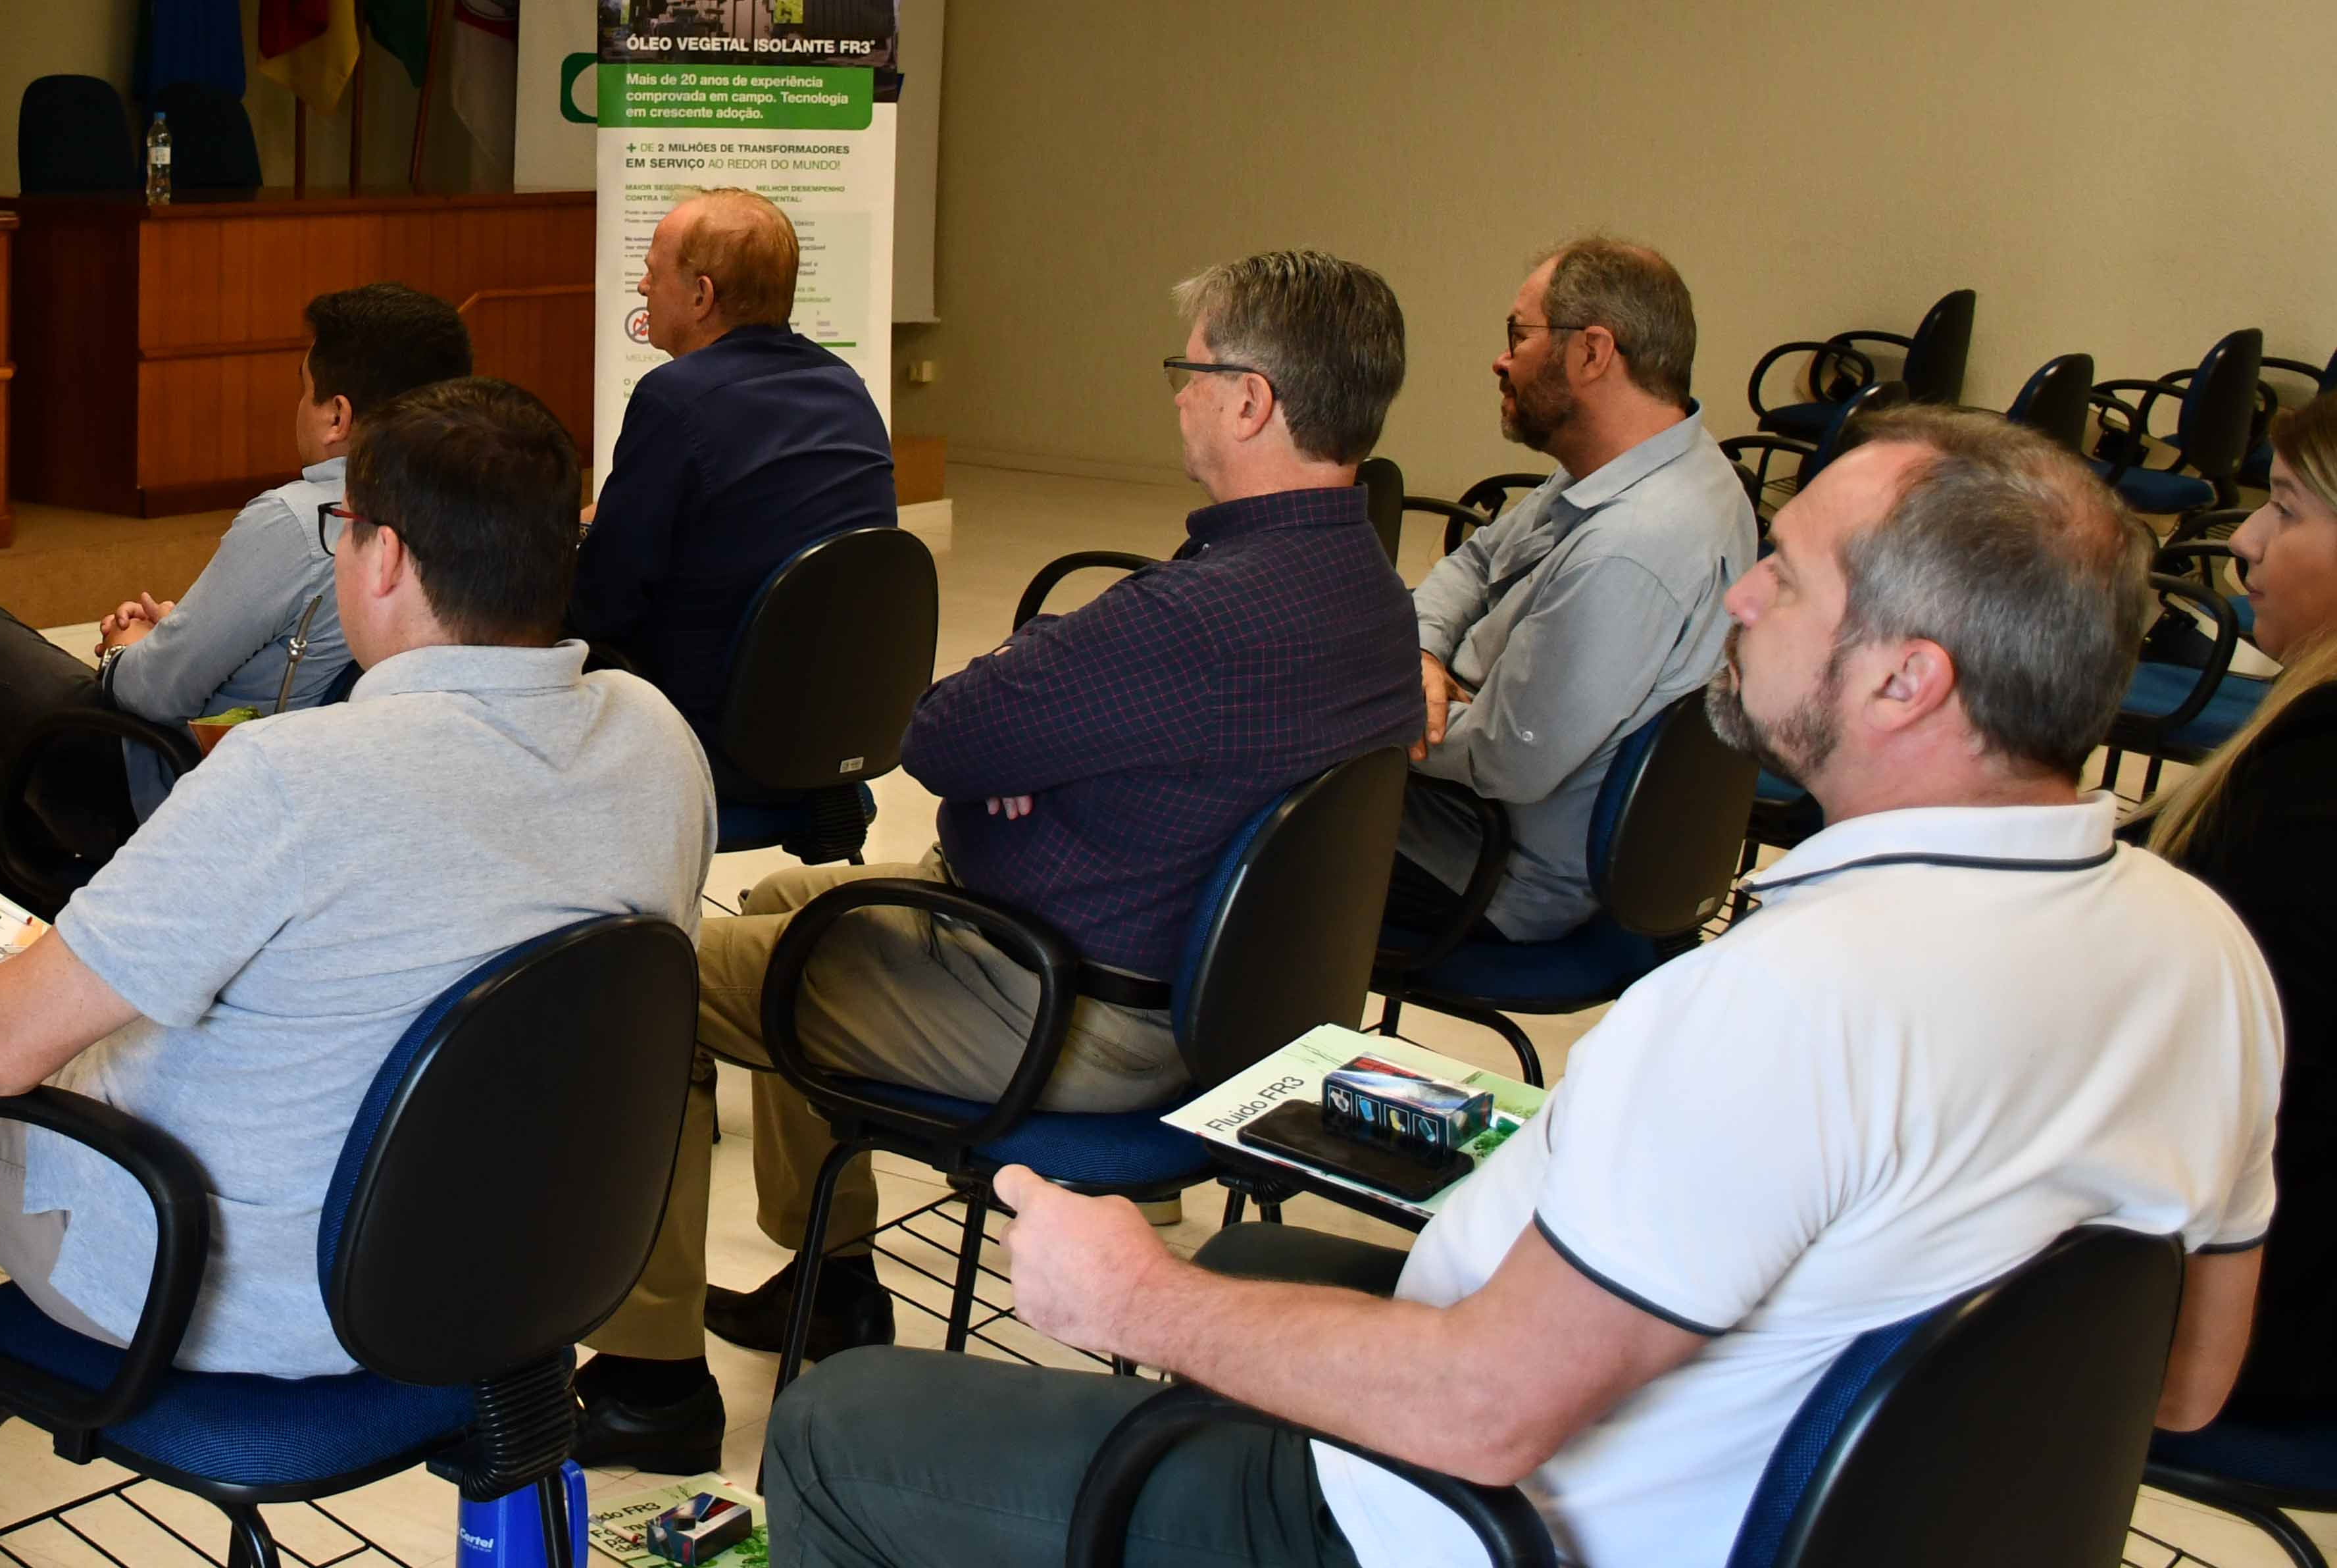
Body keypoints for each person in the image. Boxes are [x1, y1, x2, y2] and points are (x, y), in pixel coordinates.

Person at [765, 409, 2280, 1568]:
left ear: (1905, 679)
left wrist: (1131, 1294)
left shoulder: (1786, 1004)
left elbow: (1485, 1414)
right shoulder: (2201, 950)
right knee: (1273, 1263)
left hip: (1469, 1519)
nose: (1740, 594)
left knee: (845, 1424)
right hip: (1694, 1471)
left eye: (1790, 574)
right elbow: (2187, 1384)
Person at [0, 379, 711, 1568]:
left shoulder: (291, 776)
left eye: (347, 526)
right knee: (2, 1001)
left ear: (381, 560)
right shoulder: (654, 739)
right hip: (510, 1262)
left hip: (219, 1284)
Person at [576, 251, 1430, 1474]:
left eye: (1187, 371)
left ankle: (647, 1379)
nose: (1176, 395)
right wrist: (1035, 761)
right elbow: (997, 735)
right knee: (780, 897)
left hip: (1063, 1013)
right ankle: (832, 1282)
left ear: (1249, 400)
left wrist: (1019, 770)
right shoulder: (1366, 588)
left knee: (641, 974)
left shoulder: (1186, 617)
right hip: (1223, 1009)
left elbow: (939, 730)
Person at [0, 282, 475, 809]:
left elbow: (152, 693)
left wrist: (131, 650)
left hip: (195, 787)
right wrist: (185, 629)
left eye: (303, 387)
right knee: (5, 778)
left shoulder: (301, 522)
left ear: (337, 415)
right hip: (355, 789)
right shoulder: (475, 515)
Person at [1394, 236, 1755, 944]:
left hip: (1492, 868)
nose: (1501, 359)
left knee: (1233, 825)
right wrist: (1423, 658)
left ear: (1592, 352)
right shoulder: (1644, 462)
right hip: (1478, 799)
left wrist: (1377, 709)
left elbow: (1506, 756)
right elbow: (1473, 564)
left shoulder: (1634, 545)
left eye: (1517, 336)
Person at [2134, 384, 2337, 1423]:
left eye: (2290, 509)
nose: (2247, 543)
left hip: (2272, 1335)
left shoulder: (2312, 779)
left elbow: (2229, 1074)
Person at [568, 188, 895, 803]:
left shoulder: (675, 397)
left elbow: (605, 603)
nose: (642, 289)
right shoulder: (842, 383)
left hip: (710, 727)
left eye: (652, 272)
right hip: (833, 715)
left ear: (702, 296)